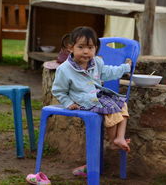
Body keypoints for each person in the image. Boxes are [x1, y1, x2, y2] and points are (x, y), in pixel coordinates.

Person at [52, 26, 132, 154]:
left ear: (96, 49)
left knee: (123, 104)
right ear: (71, 47)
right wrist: (68, 103)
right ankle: (113, 141)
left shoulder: (97, 63)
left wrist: (125, 68)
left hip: (98, 96)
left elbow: (109, 72)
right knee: (111, 108)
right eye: (81, 47)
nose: (86, 52)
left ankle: (120, 137)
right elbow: (58, 90)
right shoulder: (64, 69)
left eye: (90, 48)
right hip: (84, 100)